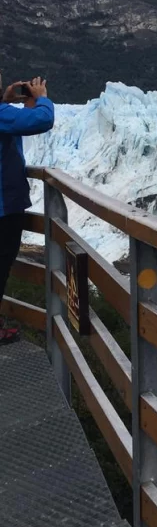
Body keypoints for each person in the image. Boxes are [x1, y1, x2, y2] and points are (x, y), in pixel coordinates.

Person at [0, 76, 54, 344]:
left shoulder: (3, 113)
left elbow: (16, 123)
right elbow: (41, 121)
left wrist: (6, 102)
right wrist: (42, 97)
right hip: (3, 208)